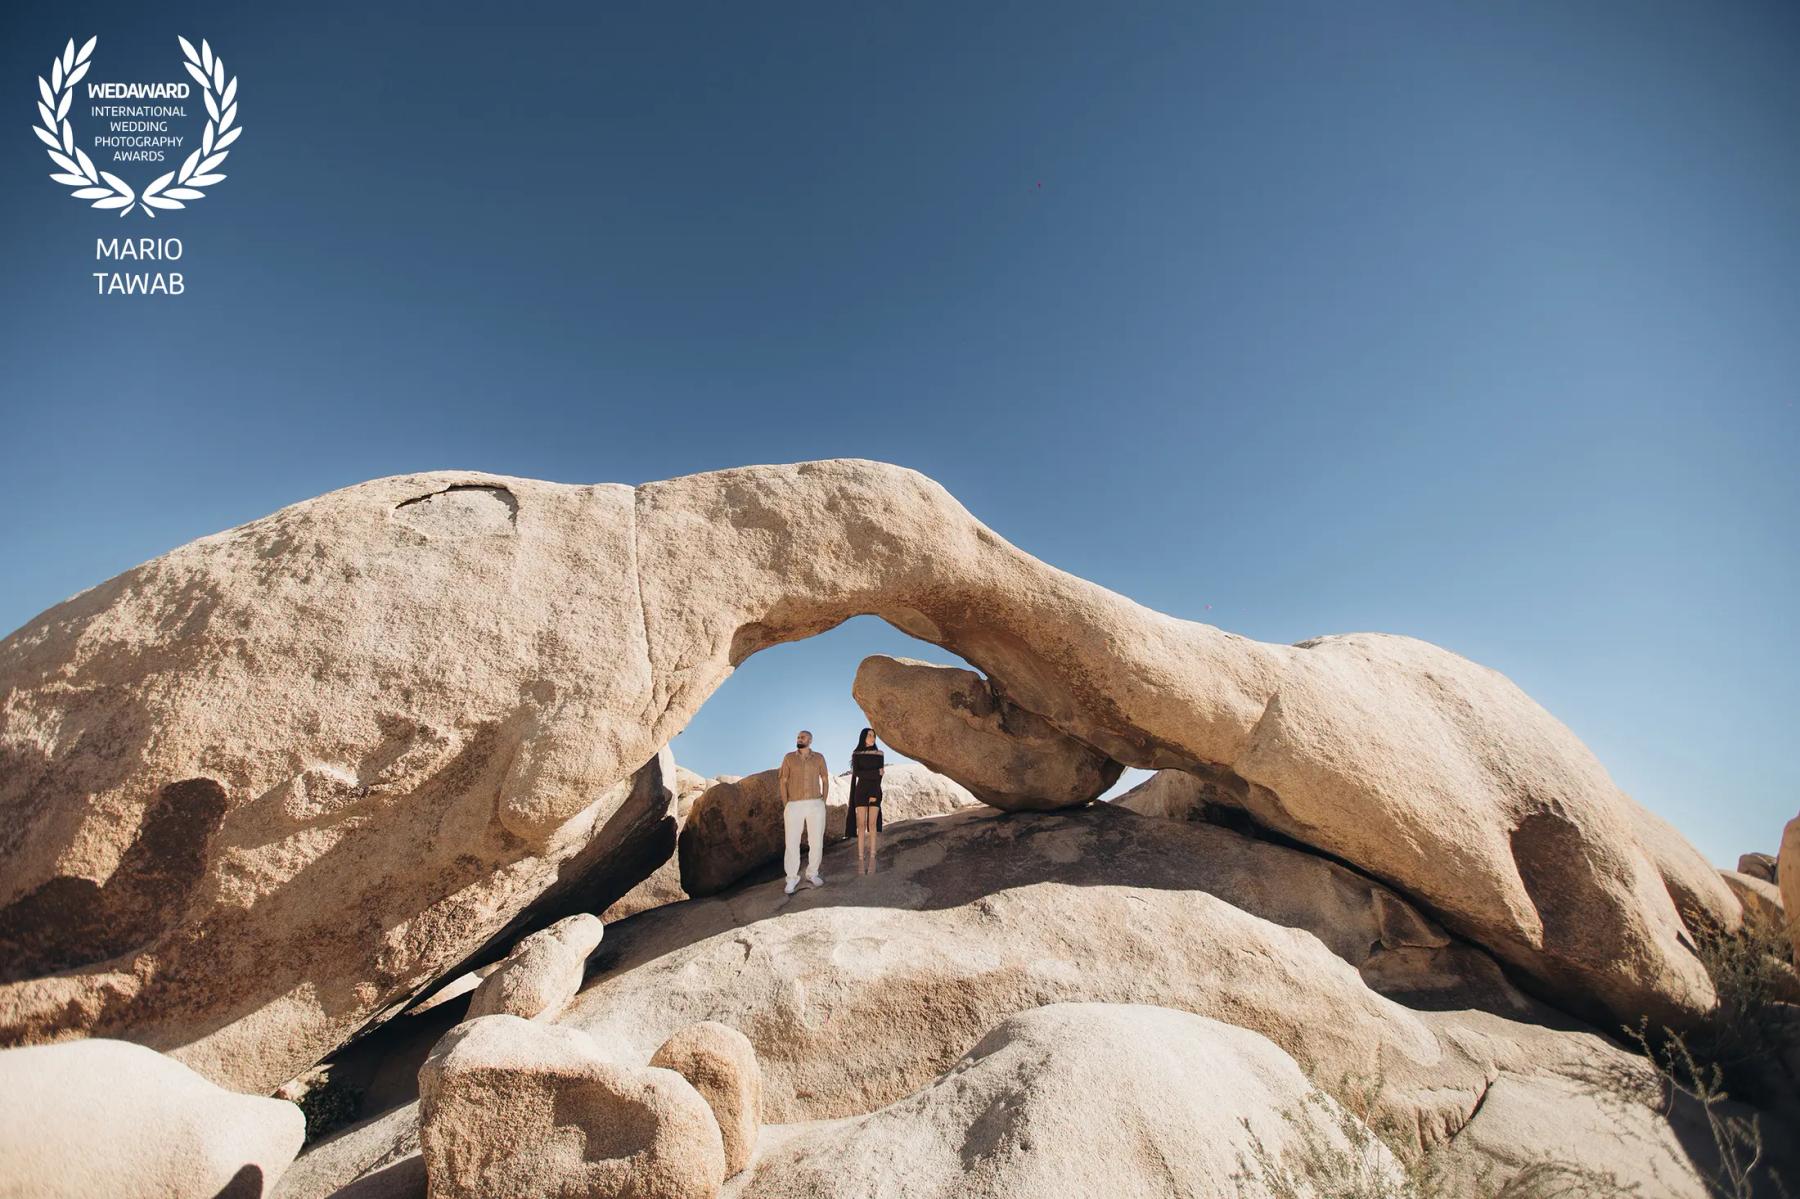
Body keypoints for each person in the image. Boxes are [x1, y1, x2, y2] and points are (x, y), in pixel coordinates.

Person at [778, 729, 830, 894]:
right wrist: (786, 803)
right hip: (794, 805)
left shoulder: (819, 758)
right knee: (792, 843)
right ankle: (792, 878)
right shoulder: (789, 758)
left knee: (816, 842)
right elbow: (783, 780)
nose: (799, 738)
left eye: (803, 736)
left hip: (816, 803)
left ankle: (812, 873)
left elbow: (825, 779)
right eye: (798, 737)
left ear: (810, 740)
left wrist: (823, 801)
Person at [848, 728, 885, 873]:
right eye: (869, 735)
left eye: (874, 735)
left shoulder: (879, 754)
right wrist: (875, 773)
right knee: (861, 825)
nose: (872, 737)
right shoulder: (856, 754)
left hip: (875, 790)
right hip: (860, 792)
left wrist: (874, 777)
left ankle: (872, 858)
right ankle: (861, 860)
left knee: (872, 824)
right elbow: (857, 773)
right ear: (863, 737)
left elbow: (880, 777)